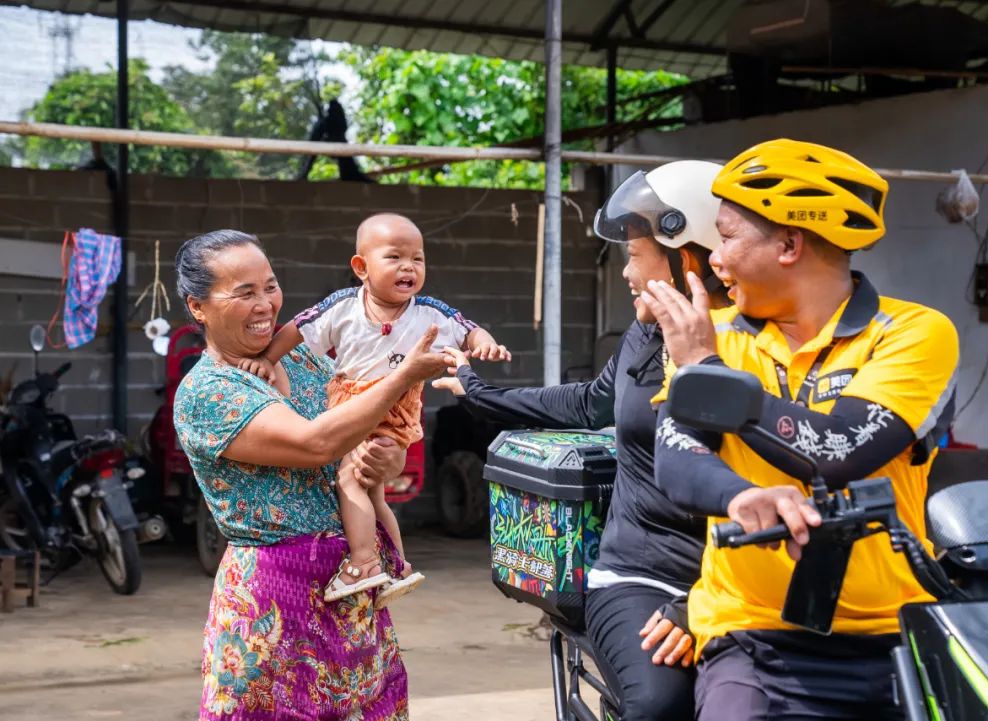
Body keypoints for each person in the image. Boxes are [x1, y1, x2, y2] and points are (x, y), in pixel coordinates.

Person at [642, 139, 960, 721]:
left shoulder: (912, 331)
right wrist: (741, 496)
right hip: (753, 635)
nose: (714, 257)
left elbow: (843, 447)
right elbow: (678, 458)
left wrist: (707, 373)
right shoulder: (714, 335)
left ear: (789, 243)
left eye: (729, 236)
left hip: (897, 631)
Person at [434, 161, 727, 720]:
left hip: (742, 579)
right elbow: (590, 403)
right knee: (660, 706)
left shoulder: (761, 342)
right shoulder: (645, 335)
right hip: (643, 572)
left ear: (685, 257)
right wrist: (480, 394)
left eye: (636, 256)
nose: (626, 273)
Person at [172, 229, 449, 720]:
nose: (265, 304)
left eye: (270, 286)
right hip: (273, 604)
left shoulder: (300, 356)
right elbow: (316, 442)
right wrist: (405, 374)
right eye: (245, 293)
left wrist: (387, 460)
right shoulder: (207, 392)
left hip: (350, 591)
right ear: (198, 307)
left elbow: (361, 434)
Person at [239, 213, 510, 605]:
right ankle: (397, 565)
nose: (409, 267)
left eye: (417, 259)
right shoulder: (344, 307)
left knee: (349, 480)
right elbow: (298, 327)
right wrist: (268, 358)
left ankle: (364, 562)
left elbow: (467, 326)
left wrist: (485, 343)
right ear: (361, 267)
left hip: (396, 406)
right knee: (373, 492)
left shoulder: (428, 312)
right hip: (350, 402)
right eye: (395, 257)